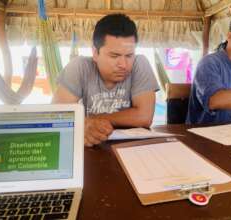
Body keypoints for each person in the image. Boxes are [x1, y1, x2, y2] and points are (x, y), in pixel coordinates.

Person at [52, 14, 159, 146]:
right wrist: (83, 124)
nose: (124, 65)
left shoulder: (140, 63)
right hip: (91, 147)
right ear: (95, 53)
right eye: (114, 56)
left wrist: (86, 121)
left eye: (129, 55)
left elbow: (144, 117)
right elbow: (57, 115)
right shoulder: (79, 67)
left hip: (131, 148)